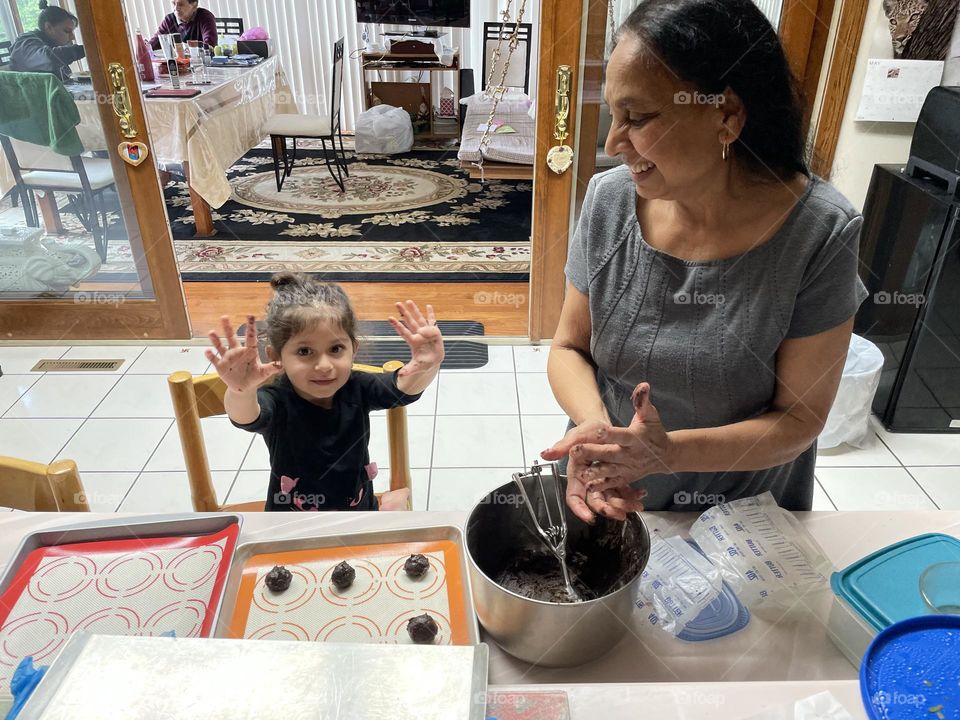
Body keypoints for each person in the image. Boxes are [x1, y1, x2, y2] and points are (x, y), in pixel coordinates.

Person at [540, 0, 868, 523]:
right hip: (609, 489)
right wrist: (603, 438)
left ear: (725, 115)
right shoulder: (609, 199)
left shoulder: (820, 232)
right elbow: (568, 347)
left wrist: (666, 454)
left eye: (637, 118)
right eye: (612, 115)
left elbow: (800, 418)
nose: (612, 142)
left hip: (742, 518)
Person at [205, 273, 444, 511]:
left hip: (360, 515)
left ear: (354, 349)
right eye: (305, 352)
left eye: (336, 349)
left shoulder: (358, 386)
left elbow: (403, 389)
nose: (324, 366)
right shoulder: (277, 398)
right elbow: (246, 416)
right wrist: (241, 391)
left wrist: (429, 364)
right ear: (276, 356)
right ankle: (394, 500)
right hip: (289, 524)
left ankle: (392, 501)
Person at [9, 1, 85, 82]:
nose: (72, 37)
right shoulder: (24, 43)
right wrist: (88, 50)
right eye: (67, 31)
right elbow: (49, 58)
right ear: (48, 27)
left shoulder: (49, 42)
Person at [149, 0, 217, 51]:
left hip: (200, 64)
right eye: (174, 4)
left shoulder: (205, 16)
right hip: (177, 65)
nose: (176, 8)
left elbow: (210, 45)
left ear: (194, 6)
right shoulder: (169, 20)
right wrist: (145, 47)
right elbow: (154, 43)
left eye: (181, 4)